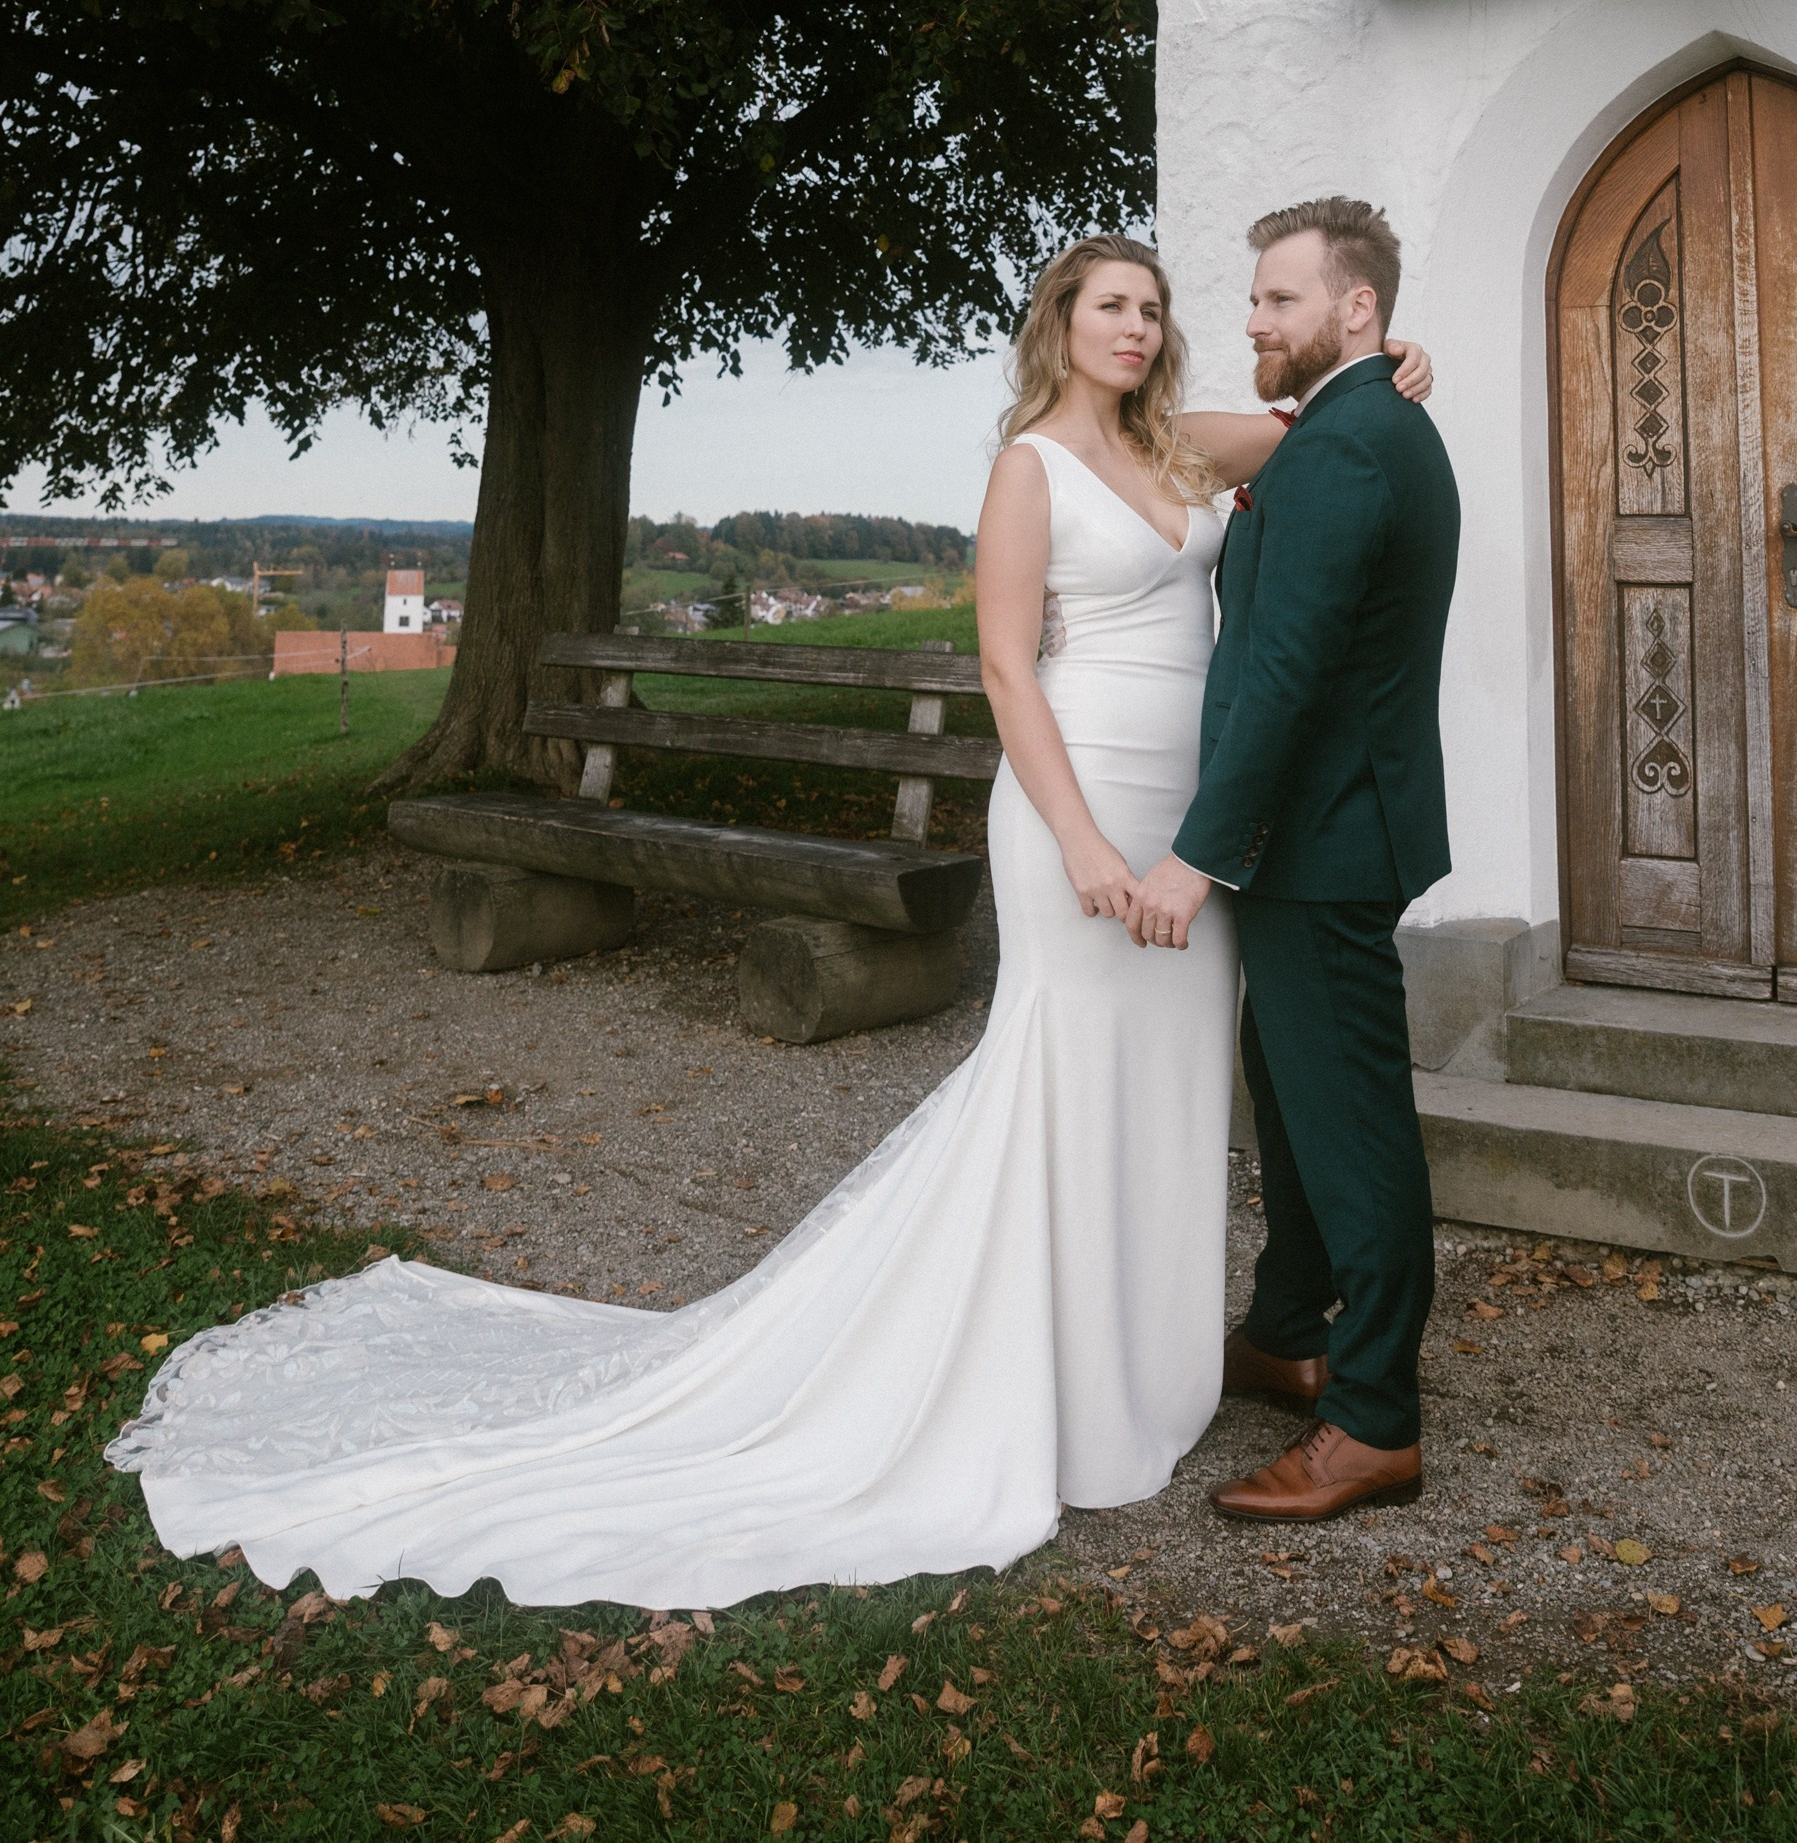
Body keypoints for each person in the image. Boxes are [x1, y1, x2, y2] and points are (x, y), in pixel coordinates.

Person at [107, 233, 1432, 1608]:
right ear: (1059, 324)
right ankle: (1051, 1390)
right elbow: (1002, 670)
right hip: (1081, 814)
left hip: (1195, 833)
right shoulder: (1028, 466)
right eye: (1111, 308)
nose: (1139, 329)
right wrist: (1087, 846)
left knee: (1163, 1090)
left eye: (1153, 309)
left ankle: (1148, 1369)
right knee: (1064, 1075)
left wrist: (1392, 355)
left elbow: (1320, 428)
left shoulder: (1187, 450)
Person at [1129, 197, 1461, 1523]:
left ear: (1355, 309)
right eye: (1256, 299)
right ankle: (1282, 1326)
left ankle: (1373, 1415)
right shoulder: (1351, 423)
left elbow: (1284, 671)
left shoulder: (1349, 447)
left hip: (1323, 840)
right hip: (1325, 832)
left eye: (1276, 300)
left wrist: (1197, 856)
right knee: (1292, 1084)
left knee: (1352, 1122)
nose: (1252, 320)